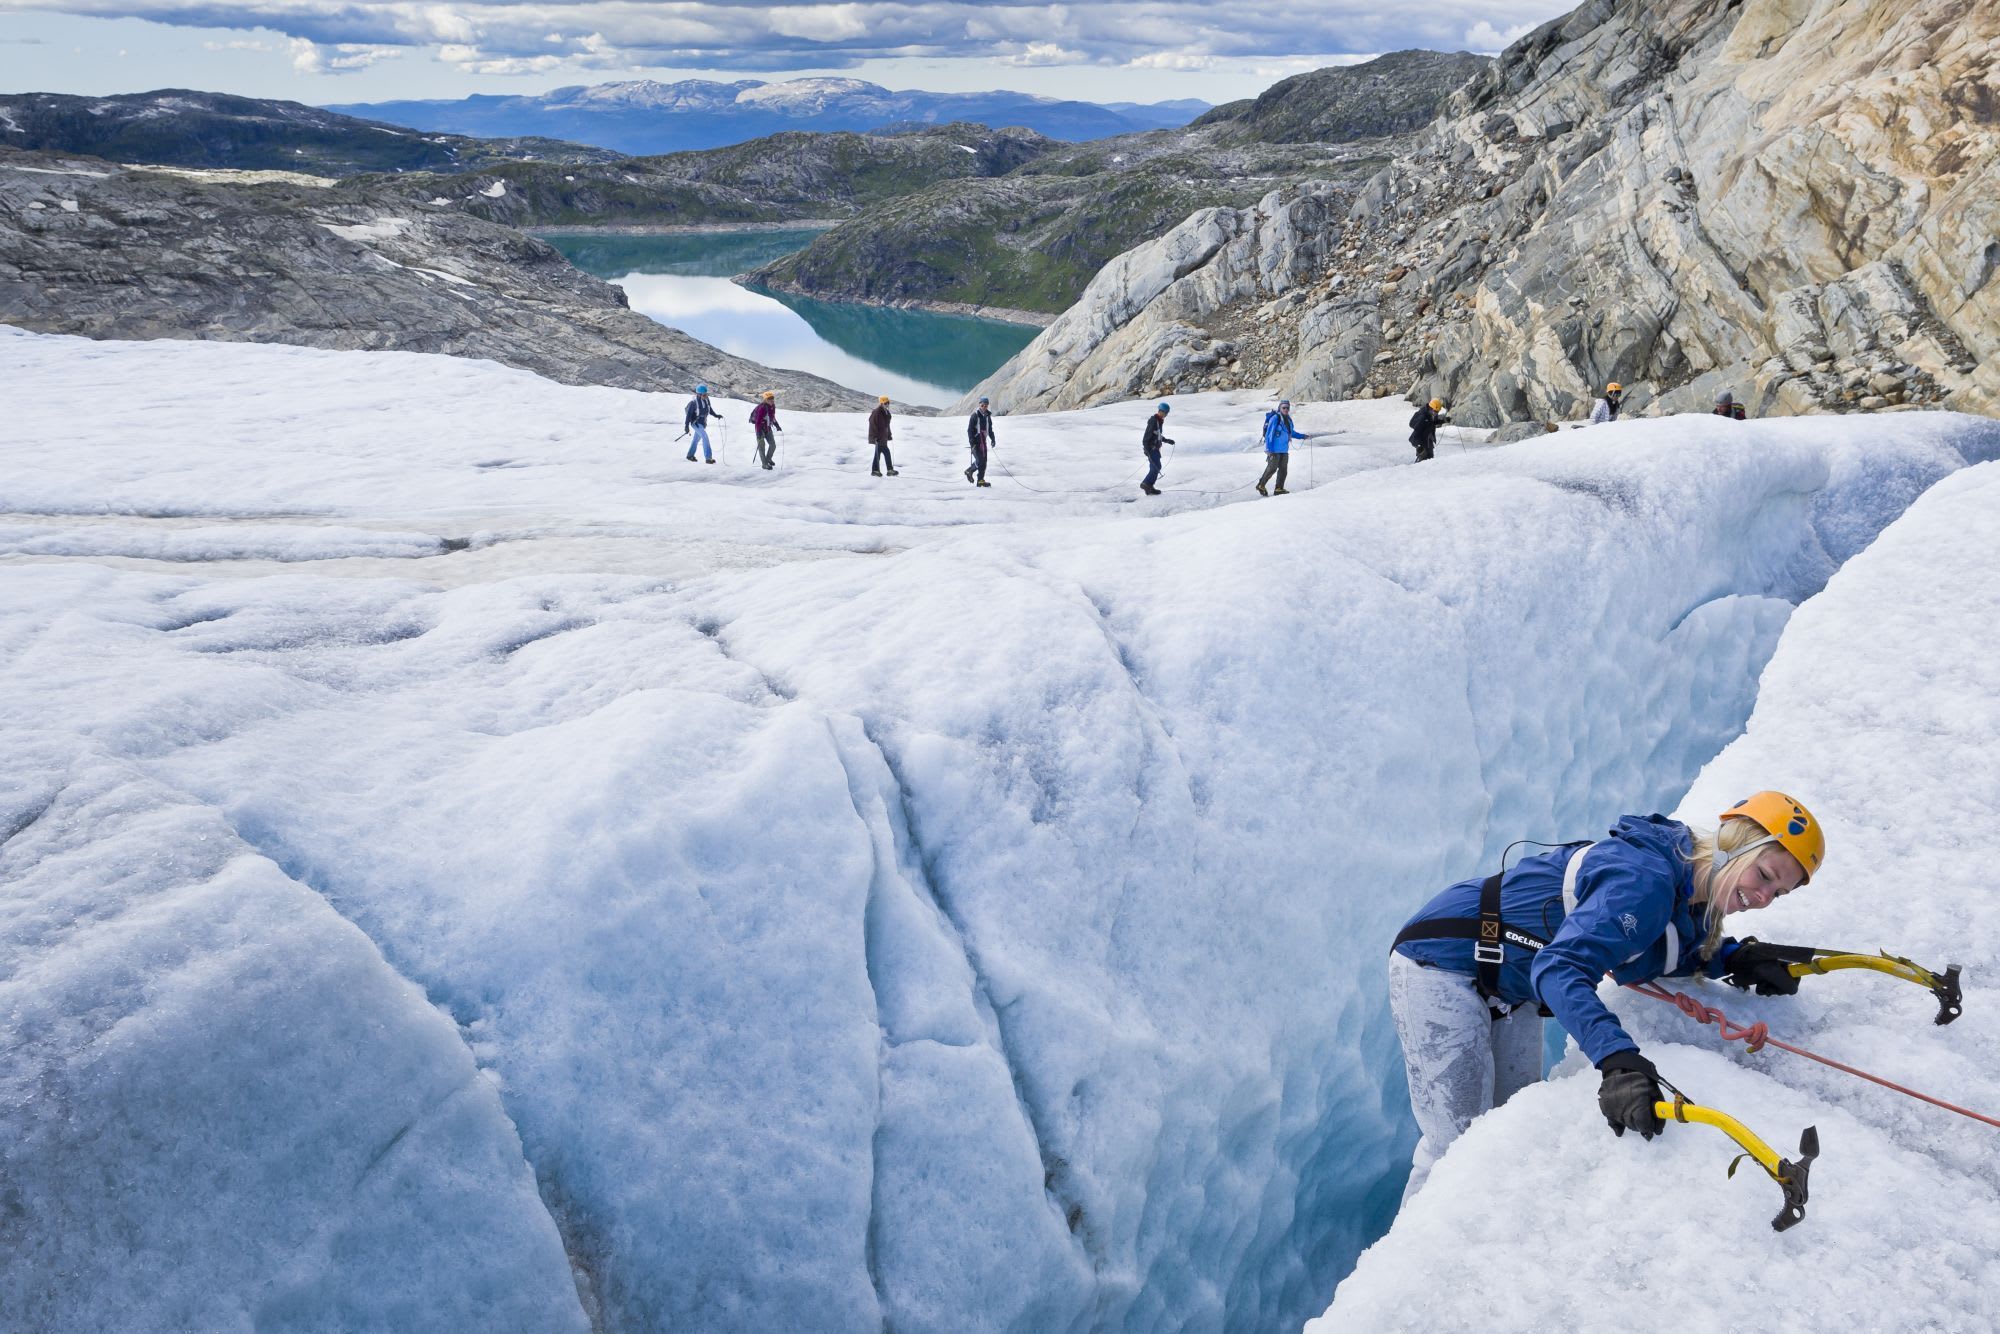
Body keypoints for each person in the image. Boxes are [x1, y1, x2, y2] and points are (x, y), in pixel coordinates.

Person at [1387, 790, 1826, 1202]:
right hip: (1442, 962)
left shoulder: (1690, 893)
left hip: (1509, 987)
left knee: (1499, 1137)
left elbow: (1660, 947)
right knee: (1456, 1148)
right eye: (1764, 875)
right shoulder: (1646, 881)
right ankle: (1411, 1273)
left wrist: (1737, 959)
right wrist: (1616, 1058)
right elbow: (1560, 967)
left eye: (1778, 893)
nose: (1764, 897)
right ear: (1734, 845)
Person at [1257, 400, 1314, 495]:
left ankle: (1279, 488)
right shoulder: (1275, 418)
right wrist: (1268, 449)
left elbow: (1292, 433)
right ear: (1280, 408)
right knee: (1272, 468)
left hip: (1284, 449)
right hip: (1274, 450)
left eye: (1287, 408)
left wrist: (1303, 436)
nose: (1286, 409)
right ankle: (1261, 485)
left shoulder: (1288, 420)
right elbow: (1269, 435)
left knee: (1283, 470)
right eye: (1284, 407)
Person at [1140, 403, 1173, 496]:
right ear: (1161, 411)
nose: (1166, 415)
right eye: (1165, 413)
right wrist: (1147, 450)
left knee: (1155, 467)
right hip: (1151, 449)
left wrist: (1166, 440)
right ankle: (1146, 484)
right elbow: (1146, 437)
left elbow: (1156, 434)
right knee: (1156, 467)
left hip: (1155, 448)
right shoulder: (1153, 421)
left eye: (1167, 413)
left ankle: (1149, 487)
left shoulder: (1159, 421)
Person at [966, 394, 997, 487]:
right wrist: (972, 443)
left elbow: (990, 429)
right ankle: (969, 471)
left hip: (983, 441)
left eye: (986, 405)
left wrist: (993, 439)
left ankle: (980, 480)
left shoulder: (988, 416)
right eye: (982, 405)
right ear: (979, 405)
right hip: (976, 442)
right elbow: (970, 430)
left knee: (984, 461)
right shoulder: (974, 416)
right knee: (979, 460)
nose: (984, 407)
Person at [684, 384, 717, 463]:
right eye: (704, 394)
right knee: (705, 437)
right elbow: (688, 415)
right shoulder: (693, 403)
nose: (706, 396)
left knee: (696, 440)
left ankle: (690, 455)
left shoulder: (706, 400)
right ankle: (708, 458)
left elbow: (709, 409)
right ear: (698, 394)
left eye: (706, 394)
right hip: (696, 423)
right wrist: (686, 426)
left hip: (703, 423)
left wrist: (716, 415)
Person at [1408, 398, 1448, 462]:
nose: (1436, 413)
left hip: (1428, 439)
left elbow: (1432, 422)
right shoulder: (1423, 416)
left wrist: (1444, 420)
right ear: (1431, 408)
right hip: (1422, 442)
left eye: (1437, 411)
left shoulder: (1431, 413)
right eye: (1436, 411)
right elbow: (1417, 431)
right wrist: (1418, 446)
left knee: (1430, 458)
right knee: (1424, 458)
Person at [750, 390, 781, 470]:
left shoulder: (772, 406)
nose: (771, 400)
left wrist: (777, 426)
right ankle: (764, 464)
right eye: (769, 399)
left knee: (773, 445)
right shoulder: (762, 408)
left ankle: (768, 459)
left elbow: (772, 417)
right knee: (761, 447)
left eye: (772, 398)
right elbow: (757, 422)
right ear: (765, 399)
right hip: (760, 429)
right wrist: (758, 433)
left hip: (767, 428)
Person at [868, 395, 898, 476]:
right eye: (885, 403)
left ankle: (879, 470)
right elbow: (872, 423)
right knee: (884, 453)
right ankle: (887, 470)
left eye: (888, 403)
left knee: (879, 454)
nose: (887, 404)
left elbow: (887, 426)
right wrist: (874, 437)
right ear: (881, 403)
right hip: (878, 438)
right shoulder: (876, 412)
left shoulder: (886, 412)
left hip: (883, 438)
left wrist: (889, 435)